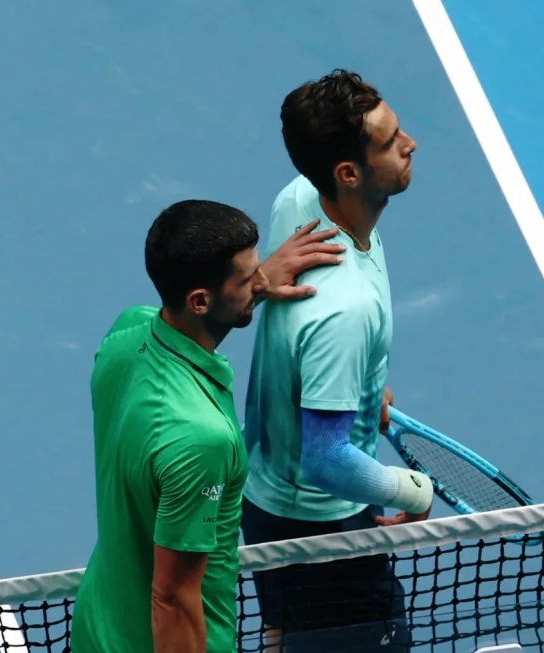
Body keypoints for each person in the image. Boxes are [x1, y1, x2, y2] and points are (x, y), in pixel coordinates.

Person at [70, 199, 347, 653]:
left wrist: (251, 287)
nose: (263, 279)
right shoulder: (201, 439)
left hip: (98, 634)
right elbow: (173, 598)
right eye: (247, 278)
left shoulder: (126, 336)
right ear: (200, 300)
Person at [240, 70, 432, 651]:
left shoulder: (300, 201)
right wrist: (411, 491)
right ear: (348, 174)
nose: (411, 143)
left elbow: (308, 349)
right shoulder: (345, 312)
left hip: (264, 494)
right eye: (390, 139)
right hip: (320, 524)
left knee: (282, 632)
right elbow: (327, 461)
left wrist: (361, 388)